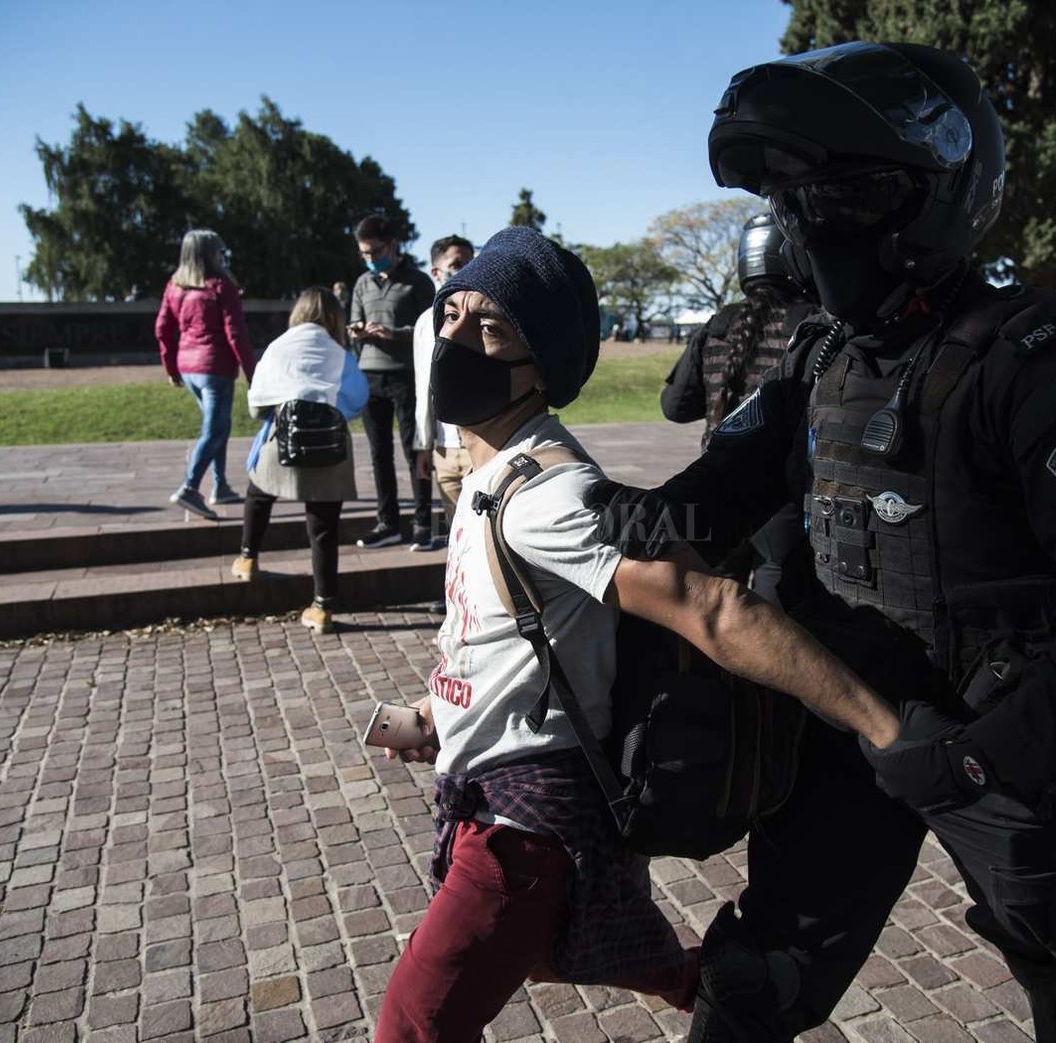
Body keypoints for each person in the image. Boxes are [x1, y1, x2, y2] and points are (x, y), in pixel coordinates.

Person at [594, 42, 1056, 1042]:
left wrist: (985, 757)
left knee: (1053, 950)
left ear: (938, 193)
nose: (812, 224)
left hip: (998, 739)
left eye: (844, 194)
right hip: (844, 721)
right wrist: (565, 500)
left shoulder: (1033, 360)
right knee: (757, 975)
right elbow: (708, 494)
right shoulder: (819, 355)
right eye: (794, 202)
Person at [373, 227, 900, 1043]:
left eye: (491, 328)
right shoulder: (490, 471)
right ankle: (710, 984)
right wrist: (436, 710)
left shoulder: (547, 495)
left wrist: (885, 728)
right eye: (451, 316)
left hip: (524, 826)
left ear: (541, 365)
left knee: (412, 1024)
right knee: (557, 950)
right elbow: (498, 631)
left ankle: (722, 986)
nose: (456, 340)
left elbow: (710, 607)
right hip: (485, 793)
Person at [660, 213, 820, 605]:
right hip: (782, 499)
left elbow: (675, 407)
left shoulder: (718, 324)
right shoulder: (812, 323)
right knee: (776, 615)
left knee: (714, 612)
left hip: (715, 489)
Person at [231, 287, 369, 633]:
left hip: (283, 437)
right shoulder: (340, 353)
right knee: (323, 527)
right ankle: (322, 606)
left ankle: (248, 557)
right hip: (329, 447)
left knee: (258, 492)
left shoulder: (279, 347)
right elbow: (358, 398)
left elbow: (257, 400)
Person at [348, 214, 437, 550]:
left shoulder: (418, 282)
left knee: (416, 450)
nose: (370, 259)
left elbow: (431, 329)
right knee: (378, 453)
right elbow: (353, 321)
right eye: (364, 254)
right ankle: (387, 522)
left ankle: (423, 523)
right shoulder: (362, 283)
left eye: (375, 252)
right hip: (369, 375)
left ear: (392, 245)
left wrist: (394, 334)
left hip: (405, 375)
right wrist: (357, 330)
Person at [155, 229, 257, 519]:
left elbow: (162, 328)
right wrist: (252, 372)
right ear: (210, 254)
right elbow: (236, 333)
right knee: (215, 429)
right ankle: (189, 488)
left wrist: (171, 367)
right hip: (214, 368)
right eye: (219, 251)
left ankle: (220, 485)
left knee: (217, 426)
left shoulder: (175, 286)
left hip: (188, 368)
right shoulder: (220, 286)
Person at [412, 235, 476, 552]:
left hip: (479, 444)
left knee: (485, 537)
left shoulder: (484, 314)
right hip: (443, 448)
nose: (467, 269)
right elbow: (422, 385)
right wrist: (423, 445)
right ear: (436, 272)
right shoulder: (425, 322)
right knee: (458, 538)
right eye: (457, 264)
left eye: (471, 262)